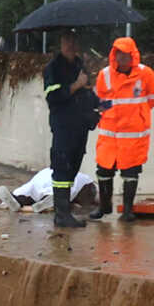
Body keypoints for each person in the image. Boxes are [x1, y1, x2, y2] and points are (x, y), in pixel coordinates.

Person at [92, 35, 154, 223]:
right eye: (119, 54)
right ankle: (104, 207)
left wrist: (139, 112)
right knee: (103, 170)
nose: (122, 58)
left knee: (130, 173)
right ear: (114, 54)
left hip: (133, 135)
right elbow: (100, 101)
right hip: (109, 134)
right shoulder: (104, 74)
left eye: (126, 54)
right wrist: (110, 112)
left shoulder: (145, 74)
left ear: (134, 55)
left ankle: (128, 211)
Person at [42, 30, 88, 224]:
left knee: (73, 167)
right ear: (60, 44)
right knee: (62, 167)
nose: (70, 45)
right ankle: (61, 214)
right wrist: (76, 86)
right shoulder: (52, 68)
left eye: (73, 41)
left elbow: (87, 92)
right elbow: (52, 96)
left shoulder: (80, 64)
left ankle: (65, 212)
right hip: (63, 125)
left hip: (80, 125)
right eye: (66, 41)